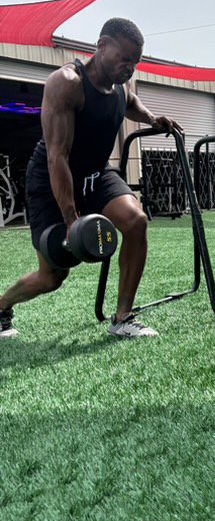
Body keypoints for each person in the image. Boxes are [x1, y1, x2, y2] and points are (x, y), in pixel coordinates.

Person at [0, 18, 182, 338]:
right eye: (124, 59)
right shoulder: (67, 83)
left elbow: (129, 102)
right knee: (53, 276)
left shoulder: (119, 86)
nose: (130, 68)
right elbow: (57, 157)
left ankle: (123, 318)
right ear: (102, 46)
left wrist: (153, 118)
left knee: (136, 221)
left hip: (96, 174)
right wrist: (72, 221)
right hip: (52, 178)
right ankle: (2, 306)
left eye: (135, 62)